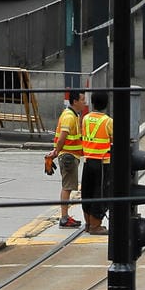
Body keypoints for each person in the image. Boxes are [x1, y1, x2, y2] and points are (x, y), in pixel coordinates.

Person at [45, 88, 84, 229]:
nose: (84, 103)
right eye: (82, 100)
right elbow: (63, 136)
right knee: (67, 187)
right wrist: (56, 151)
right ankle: (64, 218)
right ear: (75, 101)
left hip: (70, 155)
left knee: (68, 186)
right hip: (68, 156)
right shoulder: (69, 116)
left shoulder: (74, 115)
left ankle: (65, 217)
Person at [76, 91, 111, 235]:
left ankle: (88, 223)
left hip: (88, 161)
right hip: (103, 163)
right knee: (101, 193)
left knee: (87, 193)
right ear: (106, 104)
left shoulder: (85, 118)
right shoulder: (108, 121)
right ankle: (96, 226)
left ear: (93, 103)